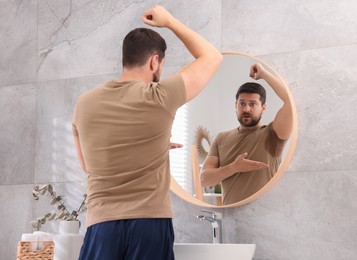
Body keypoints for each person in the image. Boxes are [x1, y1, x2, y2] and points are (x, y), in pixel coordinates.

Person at [72, 5, 222, 260]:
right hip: (149, 224)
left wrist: (149, 146)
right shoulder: (159, 97)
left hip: (101, 225)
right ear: (155, 61)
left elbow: (88, 165)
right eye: (161, 64)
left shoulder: (84, 104)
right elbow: (212, 57)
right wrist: (170, 21)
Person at [200, 63, 293, 205]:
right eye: (242, 104)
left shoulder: (273, 134)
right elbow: (204, 179)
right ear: (235, 105)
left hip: (266, 218)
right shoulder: (222, 138)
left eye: (253, 104)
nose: (246, 109)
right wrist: (234, 167)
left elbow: (290, 102)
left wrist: (264, 74)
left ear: (263, 108)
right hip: (231, 219)